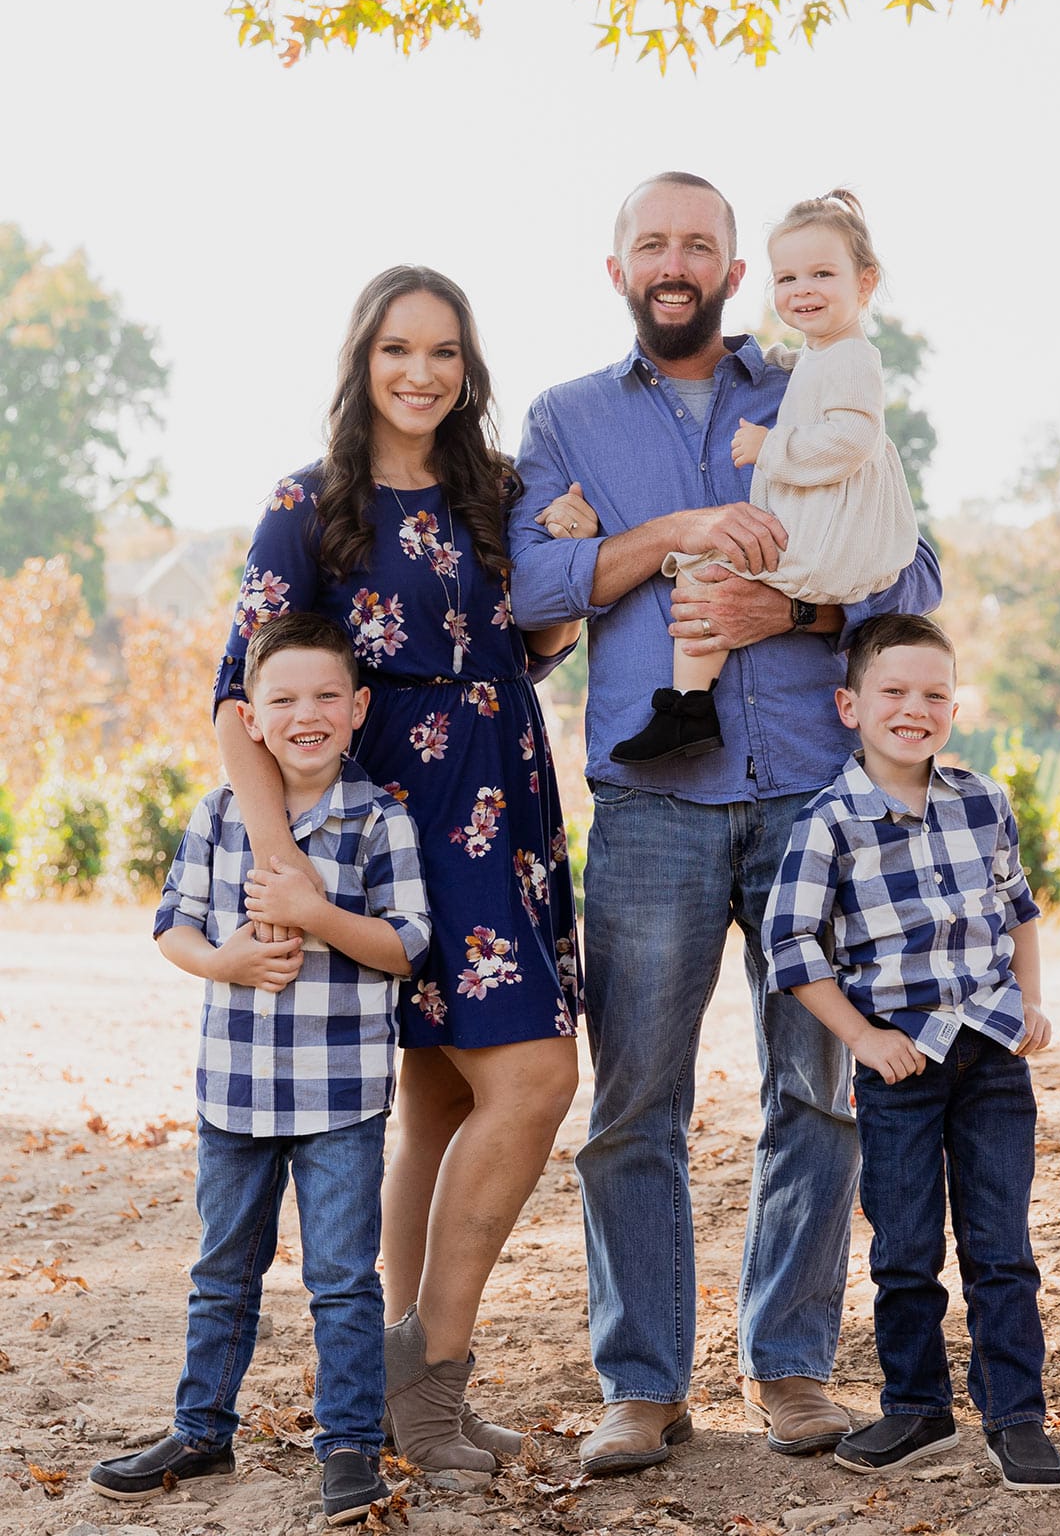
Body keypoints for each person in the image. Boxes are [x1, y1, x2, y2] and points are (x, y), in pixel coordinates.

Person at [508, 172, 943, 1475]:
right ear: (619, 268)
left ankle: (792, 1367)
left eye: (702, 243)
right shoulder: (567, 418)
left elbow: (912, 573)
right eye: (656, 242)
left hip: (814, 799)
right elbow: (532, 580)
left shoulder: (819, 382)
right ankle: (642, 1385)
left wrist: (797, 615)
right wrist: (676, 533)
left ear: (736, 270)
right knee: (636, 1100)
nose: (677, 261)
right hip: (653, 809)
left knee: (818, 1089)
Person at [211, 266, 583, 1474]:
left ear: (469, 371)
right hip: (395, 826)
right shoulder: (309, 501)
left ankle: (385, 1384)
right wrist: (289, 868)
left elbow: (528, 638)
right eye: (398, 348)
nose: (421, 372)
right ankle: (429, 1375)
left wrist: (568, 572)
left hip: (508, 803)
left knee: (441, 1096)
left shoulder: (496, 492)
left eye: (445, 353)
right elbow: (235, 699)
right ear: (361, 357)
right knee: (532, 1074)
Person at [89, 614, 432, 1526]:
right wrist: (224, 962)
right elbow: (172, 924)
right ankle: (202, 1430)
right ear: (249, 715)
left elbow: (407, 946)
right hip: (234, 1088)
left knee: (343, 1278)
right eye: (283, 699)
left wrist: (313, 913)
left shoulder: (380, 819)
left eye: (327, 696)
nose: (306, 714)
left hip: (341, 1094)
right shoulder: (218, 814)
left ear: (358, 708)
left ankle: (349, 1446)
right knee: (222, 1270)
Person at [761, 612, 1060, 1493]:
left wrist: (1031, 1001)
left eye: (934, 693)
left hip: (992, 1060)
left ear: (955, 706)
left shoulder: (983, 800)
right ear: (848, 704)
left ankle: (1017, 1416)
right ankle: (918, 1405)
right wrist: (863, 1038)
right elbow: (794, 951)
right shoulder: (829, 823)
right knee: (903, 1245)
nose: (915, 708)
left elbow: (1019, 912)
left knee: (1000, 1245)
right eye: (893, 691)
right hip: (900, 1069)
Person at [613, 189, 918, 765]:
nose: (801, 290)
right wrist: (787, 363)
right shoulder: (827, 356)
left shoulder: (854, 359)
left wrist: (769, 446)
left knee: (705, 568)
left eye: (822, 273)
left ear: (866, 282)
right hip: (826, 533)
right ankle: (689, 707)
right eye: (787, 278)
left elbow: (852, 441)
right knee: (709, 570)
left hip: (830, 542)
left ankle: (687, 710)